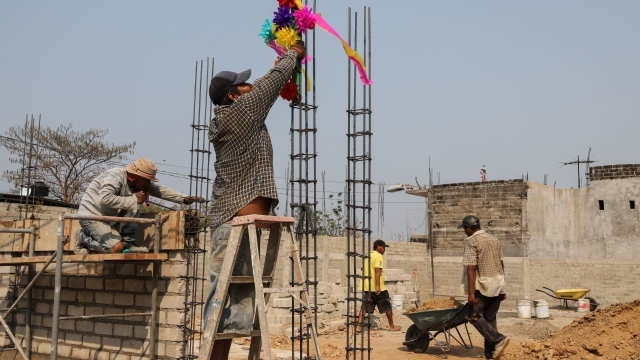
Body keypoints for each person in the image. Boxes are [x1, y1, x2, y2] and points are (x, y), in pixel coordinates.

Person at [203, 41, 307, 358]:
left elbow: (264, 86)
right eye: (243, 84)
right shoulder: (239, 113)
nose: (250, 86)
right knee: (224, 306)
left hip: (244, 225)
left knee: (237, 307)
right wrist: (293, 53)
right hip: (232, 223)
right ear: (233, 95)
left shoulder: (240, 115)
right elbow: (269, 84)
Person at [75, 158, 204, 254]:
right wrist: (133, 199)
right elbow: (104, 198)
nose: (148, 184)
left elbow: (160, 190)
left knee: (135, 204)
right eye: (147, 180)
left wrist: (184, 198)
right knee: (117, 248)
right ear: (136, 177)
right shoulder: (114, 177)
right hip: (91, 217)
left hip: (108, 218)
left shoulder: (139, 183)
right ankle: (82, 237)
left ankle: (128, 243)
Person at [460, 215, 510, 359]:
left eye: (464, 229)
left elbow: (471, 267)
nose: (464, 231)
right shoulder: (494, 239)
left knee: (472, 315)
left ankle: (498, 339)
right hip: (498, 283)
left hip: (484, 286)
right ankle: (491, 354)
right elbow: (501, 263)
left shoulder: (471, 241)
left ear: (469, 228)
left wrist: (470, 293)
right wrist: (503, 288)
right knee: (490, 320)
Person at [355, 239, 401, 333]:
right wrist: (378, 286)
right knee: (387, 307)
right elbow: (377, 270)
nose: (384, 249)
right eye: (384, 247)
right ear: (379, 246)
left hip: (367, 287)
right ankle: (391, 326)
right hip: (377, 288)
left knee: (364, 307)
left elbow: (363, 269)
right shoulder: (378, 256)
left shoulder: (367, 256)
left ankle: (359, 327)